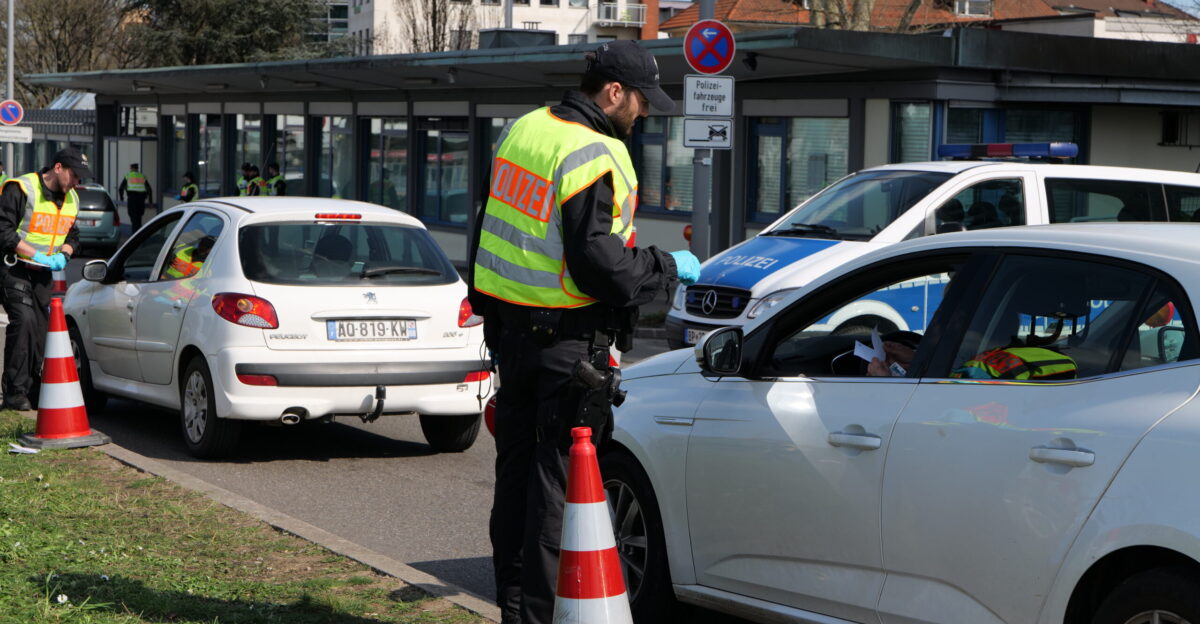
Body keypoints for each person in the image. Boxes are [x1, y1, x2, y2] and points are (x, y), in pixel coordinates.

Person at [468, 40, 700, 624]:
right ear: (613, 93)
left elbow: (488, 229)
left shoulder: (524, 129)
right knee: (555, 495)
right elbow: (599, 262)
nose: (644, 113)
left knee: (515, 483)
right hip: (565, 346)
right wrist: (667, 267)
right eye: (642, 101)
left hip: (511, 336)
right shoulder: (595, 153)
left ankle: (516, 611)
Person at [0, 148, 88, 410]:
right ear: (58, 167)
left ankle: (36, 392)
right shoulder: (21, 188)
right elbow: (3, 232)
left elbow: (73, 236)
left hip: (43, 274)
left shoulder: (72, 199)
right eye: (74, 175)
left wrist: (64, 255)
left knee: (40, 331)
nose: (76, 183)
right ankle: (14, 394)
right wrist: (38, 255)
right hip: (13, 267)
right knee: (24, 321)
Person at [118, 163, 154, 231]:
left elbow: (121, 188)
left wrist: (121, 198)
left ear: (131, 168)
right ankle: (138, 234)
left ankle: (134, 236)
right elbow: (149, 189)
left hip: (132, 199)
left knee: (133, 218)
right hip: (141, 200)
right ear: (137, 169)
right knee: (139, 218)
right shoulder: (142, 176)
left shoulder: (128, 176)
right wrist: (150, 201)